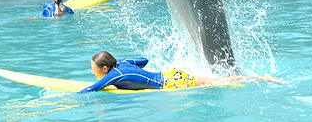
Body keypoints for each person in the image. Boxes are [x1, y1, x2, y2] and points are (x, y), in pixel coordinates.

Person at [79, 51, 283, 93]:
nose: (92, 72)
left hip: (171, 83)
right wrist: (122, 61)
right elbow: (144, 60)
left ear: (105, 69)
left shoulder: (114, 75)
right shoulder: (120, 66)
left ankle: (260, 79)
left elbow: (91, 89)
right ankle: (259, 78)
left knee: (220, 83)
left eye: (93, 69)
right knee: (218, 80)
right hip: (170, 74)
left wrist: (70, 96)